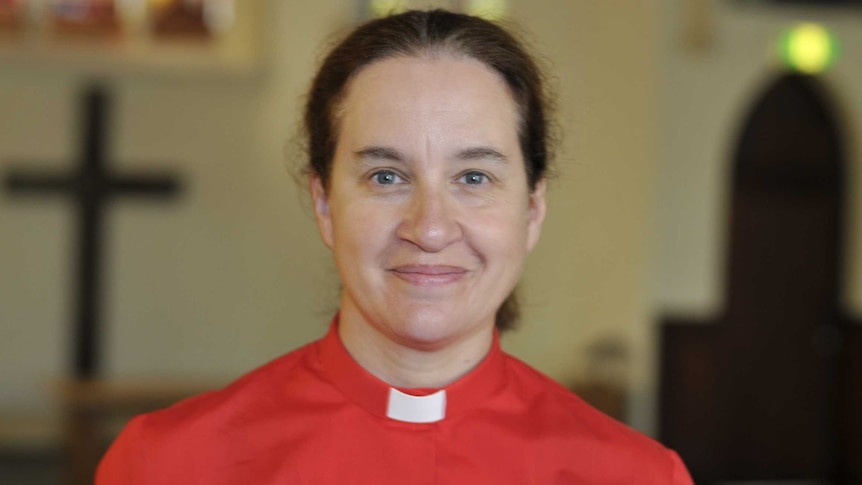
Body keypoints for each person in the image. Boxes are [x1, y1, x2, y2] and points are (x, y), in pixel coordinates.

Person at [97, 9, 693, 484]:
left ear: (532, 210)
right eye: (387, 176)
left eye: (474, 178)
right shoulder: (168, 466)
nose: (430, 228)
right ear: (325, 203)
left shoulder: (636, 476)